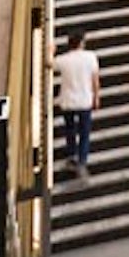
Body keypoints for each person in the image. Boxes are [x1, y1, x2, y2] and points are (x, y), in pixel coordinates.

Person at [52, 28, 100, 181]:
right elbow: (95, 80)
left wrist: (50, 50)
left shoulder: (63, 59)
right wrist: (96, 96)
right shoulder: (90, 57)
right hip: (85, 100)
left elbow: (49, 64)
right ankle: (82, 161)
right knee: (84, 133)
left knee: (70, 129)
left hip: (67, 101)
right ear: (81, 43)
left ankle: (72, 155)